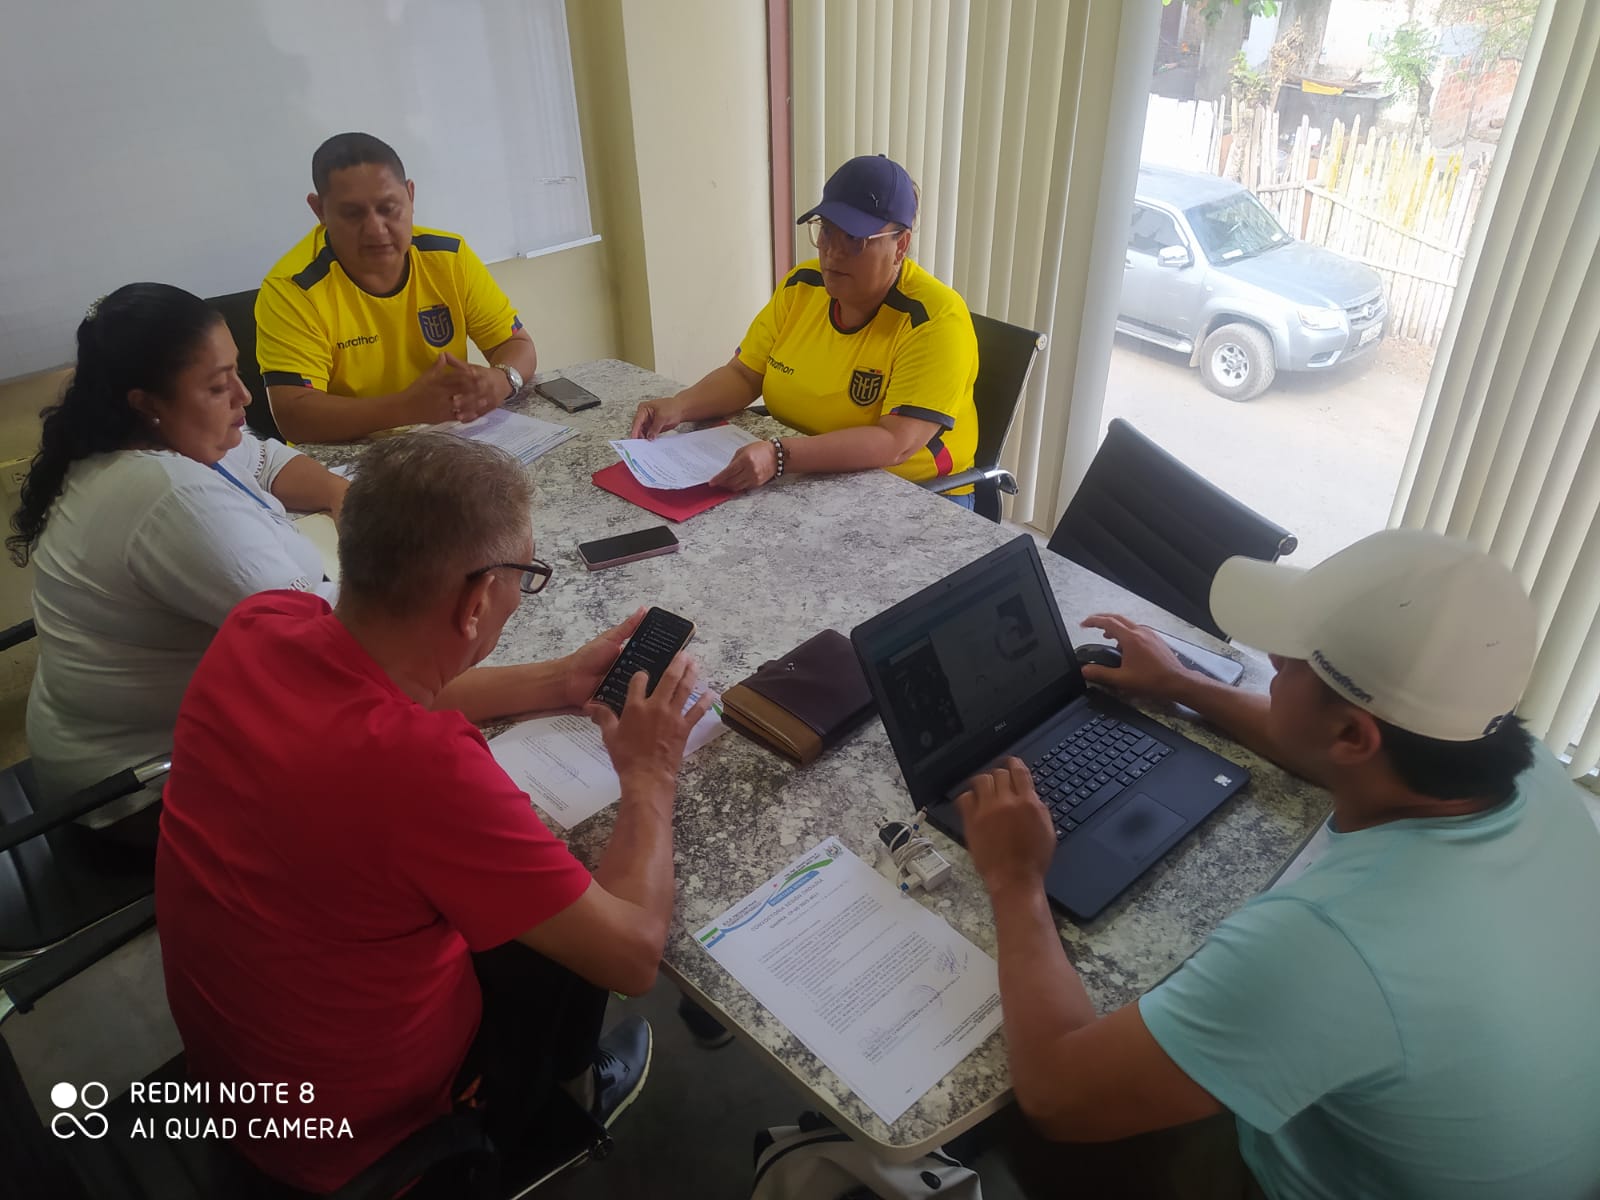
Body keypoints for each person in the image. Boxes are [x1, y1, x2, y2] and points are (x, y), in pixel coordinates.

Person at [955, 529, 1600, 1199]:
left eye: (1290, 667)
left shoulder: (1332, 943)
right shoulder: (1529, 778)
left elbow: (1058, 1096)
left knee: (1027, 1131)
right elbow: (1331, 745)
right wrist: (1182, 685)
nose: (1271, 661)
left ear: (1352, 734)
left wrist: (1016, 879)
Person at [156, 431, 709, 1195]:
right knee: (570, 932)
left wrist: (558, 680)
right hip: (355, 1142)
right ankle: (550, 1105)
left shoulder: (264, 623)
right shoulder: (425, 768)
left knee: (523, 902)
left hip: (241, 1073)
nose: (519, 596)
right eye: (526, 578)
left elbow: (394, 684)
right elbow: (634, 956)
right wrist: (649, 773)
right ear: (477, 602)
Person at [8, 283, 346, 845]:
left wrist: (342, 495)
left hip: (104, 757)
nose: (244, 395)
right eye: (217, 385)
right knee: (406, 788)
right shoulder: (167, 497)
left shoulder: (141, 435)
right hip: (140, 797)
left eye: (237, 371)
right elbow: (333, 651)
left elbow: (264, 457)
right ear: (147, 402)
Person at [629, 154, 980, 506]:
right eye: (826, 230)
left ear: (900, 244)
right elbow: (744, 374)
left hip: (915, 496)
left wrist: (779, 456)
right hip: (809, 477)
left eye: (854, 238)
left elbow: (895, 443)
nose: (833, 252)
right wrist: (679, 406)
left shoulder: (934, 319)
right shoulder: (803, 286)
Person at [256, 132, 538, 444]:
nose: (376, 229)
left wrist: (501, 379)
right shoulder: (292, 288)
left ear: (410, 195)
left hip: (445, 441)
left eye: (388, 208)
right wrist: (406, 409)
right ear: (319, 210)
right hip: (347, 455)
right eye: (353, 214)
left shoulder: (449, 258)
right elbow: (294, 416)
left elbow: (517, 344)